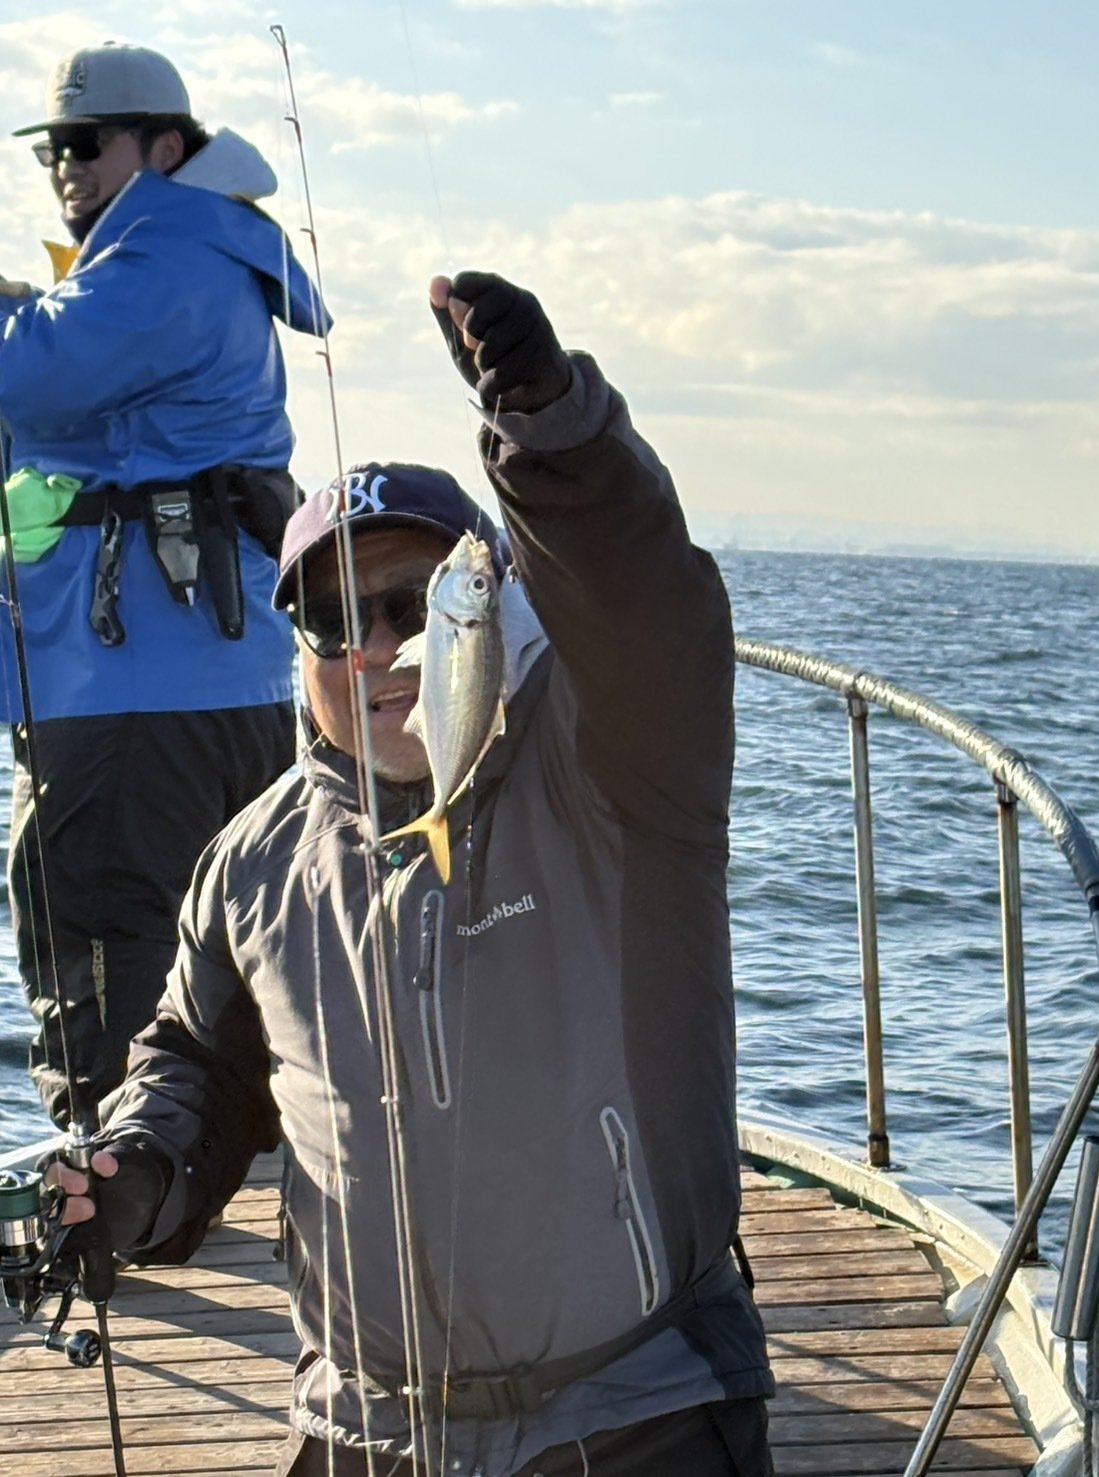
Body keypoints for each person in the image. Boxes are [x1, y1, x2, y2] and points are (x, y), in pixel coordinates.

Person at [54, 270, 774, 1475]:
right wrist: (141, 1172)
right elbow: (196, 1068)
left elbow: (646, 598)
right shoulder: (253, 862)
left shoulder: (619, 765)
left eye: (412, 604)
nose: (378, 648)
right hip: (360, 1421)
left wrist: (549, 428)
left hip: (635, 1408)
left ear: (490, 604)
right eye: (333, 622)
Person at [0, 42, 328, 1127]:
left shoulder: (168, 254)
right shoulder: (187, 254)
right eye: (52, 149)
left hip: (129, 688)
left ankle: (116, 1178)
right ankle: (219, 1164)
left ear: (167, 147)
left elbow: (30, 377)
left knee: (101, 936)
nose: (66, 166)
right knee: (229, 946)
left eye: (86, 143)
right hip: (217, 681)